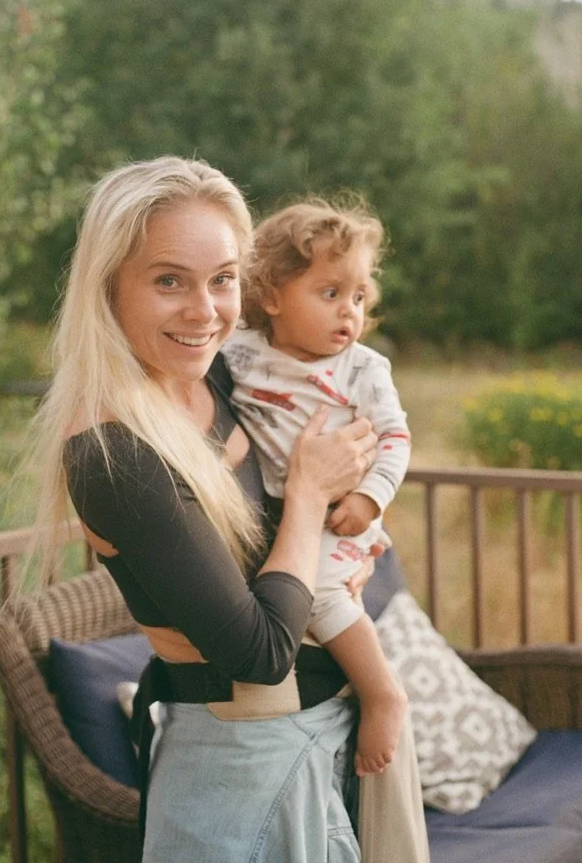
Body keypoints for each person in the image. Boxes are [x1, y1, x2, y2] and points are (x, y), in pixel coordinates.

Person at [30, 156, 429, 863]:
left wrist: (346, 535)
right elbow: (260, 651)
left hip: (326, 741)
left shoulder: (213, 373)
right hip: (242, 766)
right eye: (167, 280)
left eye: (221, 280)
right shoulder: (112, 455)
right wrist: (308, 495)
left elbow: (281, 544)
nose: (205, 310)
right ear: (107, 287)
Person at [223, 199, 411, 777]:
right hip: (288, 514)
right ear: (272, 296)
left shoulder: (363, 370)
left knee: (324, 593)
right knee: (290, 593)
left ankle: (382, 692)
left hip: (339, 512)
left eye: (358, 297)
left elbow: (396, 440)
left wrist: (369, 499)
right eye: (329, 293)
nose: (349, 313)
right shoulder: (241, 353)